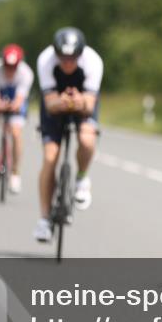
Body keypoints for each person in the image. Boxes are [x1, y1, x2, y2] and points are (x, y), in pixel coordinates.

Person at [34, 27, 103, 242]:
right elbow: (49, 103)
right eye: (63, 58)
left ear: (80, 54)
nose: (67, 62)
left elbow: (90, 105)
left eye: (72, 58)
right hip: (54, 106)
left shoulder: (93, 61)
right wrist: (61, 102)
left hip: (83, 104)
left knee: (87, 138)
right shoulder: (46, 60)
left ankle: (82, 179)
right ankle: (44, 219)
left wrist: (78, 101)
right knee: (50, 157)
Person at [0, 44, 35, 193]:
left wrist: (14, 106)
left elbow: (20, 99)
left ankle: (15, 174)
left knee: (16, 133)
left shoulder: (26, 73)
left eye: (14, 67)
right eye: (7, 66)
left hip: (16, 98)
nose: (10, 70)